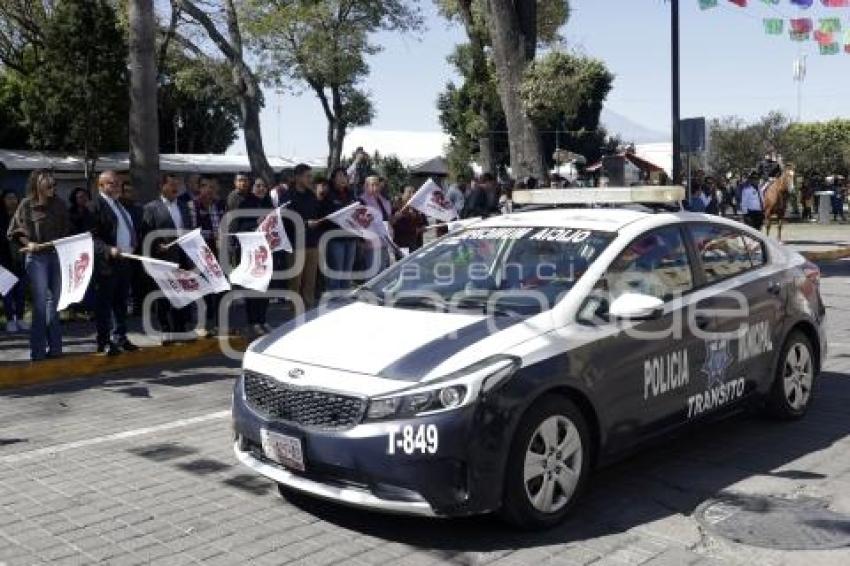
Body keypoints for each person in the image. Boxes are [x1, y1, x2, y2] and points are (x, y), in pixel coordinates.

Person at [6, 170, 69, 361]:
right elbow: (13, 231)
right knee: (41, 304)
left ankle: (55, 348)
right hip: (36, 258)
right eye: (48, 185)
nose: (52, 188)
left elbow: (67, 230)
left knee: (54, 304)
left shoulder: (59, 204)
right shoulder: (26, 204)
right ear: (37, 185)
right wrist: (29, 243)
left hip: (56, 256)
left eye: (54, 185)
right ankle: (38, 351)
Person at [88, 171, 139, 356]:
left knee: (121, 303)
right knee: (105, 304)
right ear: (101, 186)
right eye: (112, 183)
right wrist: (108, 249)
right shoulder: (95, 206)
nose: (118, 186)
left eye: (119, 183)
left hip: (124, 260)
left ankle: (120, 337)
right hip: (106, 263)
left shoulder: (119, 205)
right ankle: (103, 341)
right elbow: (90, 237)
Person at [141, 173, 194, 341]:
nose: (175, 188)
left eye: (177, 185)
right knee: (163, 296)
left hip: (182, 256)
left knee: (181, 293)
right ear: (162, 186)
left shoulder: (183, 206)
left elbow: (188, 228)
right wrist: (156, 246)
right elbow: (146, 233)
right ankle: (165, 329)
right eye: (171, 184)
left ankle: (180, 328)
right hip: (162, 258)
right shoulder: (151, 208)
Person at [279, 164, 322, 309]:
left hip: (312, 243)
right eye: (307, 176)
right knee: (295, 281)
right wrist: (305, 223)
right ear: (297, 177)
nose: (310, 179)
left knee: (310, 280)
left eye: (311, 176)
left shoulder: (311, 195)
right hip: (295, 244)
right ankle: (295, 309)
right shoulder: (287, 196)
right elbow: (285, 219)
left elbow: (317, 213)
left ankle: (309, 307)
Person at [189, 176, 227, 334]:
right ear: (199, 188)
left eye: (212, 186)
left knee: (221, 290)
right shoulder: (192, 206)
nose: (209, 190)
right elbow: (191, 232)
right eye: (205, 186)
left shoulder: (220, 204)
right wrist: (212, 235)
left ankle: (219, 324)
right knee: (202, 291)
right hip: (200, 255)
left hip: (219, 254)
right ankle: (201, 325)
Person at [319, 167, 357, 292]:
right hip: (335, 238)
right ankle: (334, 299)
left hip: (350, 237)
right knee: (336, 271)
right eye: (339, 176)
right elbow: (325, 216)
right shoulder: (328, 195)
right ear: (333, 179)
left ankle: (345, 298)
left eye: (344, 176)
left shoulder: (351, 194)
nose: (343, 179)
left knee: (347, 271)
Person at [246, 178, 273, 335]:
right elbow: (238, 226)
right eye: (258, 186)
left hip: (267, 251)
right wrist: (255, 223)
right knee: (253, 288)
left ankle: (263, 319)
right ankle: (254, 321)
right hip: (251, 252)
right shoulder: (245, 204)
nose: (261, 188)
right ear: (252, 188)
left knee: (265, 288)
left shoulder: (269, 204)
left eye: (264, 186)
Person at [0, 189, 27, 333]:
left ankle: (20, 318)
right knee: (7, 292)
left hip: (20, 258)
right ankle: (10, 320)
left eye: (14, 197)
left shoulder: (22, 216)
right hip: (4, 260)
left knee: (21, 291)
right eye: (8, 198)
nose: (12, 200)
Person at [120, 180, 146, 316]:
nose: (128, 194)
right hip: (122, 249)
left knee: (138, 279)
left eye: (130, 191)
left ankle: (138, 307)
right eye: (126, 191)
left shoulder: (138, 209)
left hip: (137, 248)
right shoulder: (117, 208)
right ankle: (122, 306)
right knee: (123, 280)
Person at [359, 175, 393, 276]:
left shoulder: (382, 200)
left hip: (385, 242)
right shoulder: (361, 201)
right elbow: (360, 223)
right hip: (371, 244)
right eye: (372, 185)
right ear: (366, 186)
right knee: (373, 276)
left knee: (383, 275)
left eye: (377, 185)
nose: (376, 187)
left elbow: (387, 220)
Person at [391, 186, 427, 254]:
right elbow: (394, 224)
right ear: (402, 194)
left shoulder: (417, 206)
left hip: (417, 243)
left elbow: (424, 221)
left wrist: (423, 226)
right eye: (409, 192)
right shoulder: (396, 207)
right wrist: (414, 230)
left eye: (413, 192)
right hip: (403, 244)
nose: (412, 194)